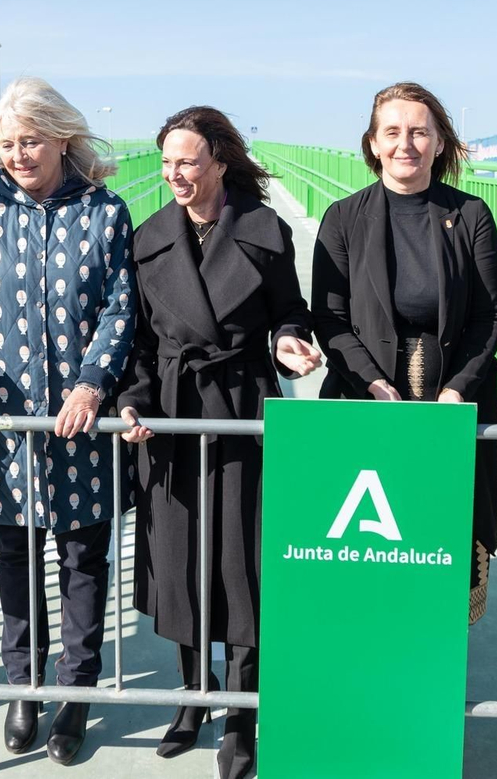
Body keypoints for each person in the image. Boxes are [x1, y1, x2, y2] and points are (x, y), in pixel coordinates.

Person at [0, 77, 136, 765]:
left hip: (79, 427)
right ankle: (25, 687)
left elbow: (120, 305)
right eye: (7, 143)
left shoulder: (104, 212)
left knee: (83, 562)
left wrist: (92, 383)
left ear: (62, 138)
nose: (19, 154)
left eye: (31, 140)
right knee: (14, 562)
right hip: (7, 428)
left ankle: (76, 695)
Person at [117, 107, 321, 779]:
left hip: (241, 408)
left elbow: (289, 308)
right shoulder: (148, 239)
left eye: (188, 161)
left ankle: (241, 713)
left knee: (241, 560)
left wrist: (290, 337)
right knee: (179, 561)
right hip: (172, 415)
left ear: (219, 164)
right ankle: (193, 696)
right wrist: (131, 399)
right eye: (167, 162)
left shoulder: (265, 234)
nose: (175, 174)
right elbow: (141, 344)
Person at [310, 81, 497, 624]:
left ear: (440, 142)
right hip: (365, 397)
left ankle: (435, 663)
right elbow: (329, 317)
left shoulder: (470, 215)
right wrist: (370, 382)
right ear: (372, 143)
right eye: (392, 132)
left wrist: (455, 389)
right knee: (373, 536)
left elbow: (490, 317)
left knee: (442, 536)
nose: (406, 144)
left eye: (420, 131)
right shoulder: (344, 217)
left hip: (452, 400)